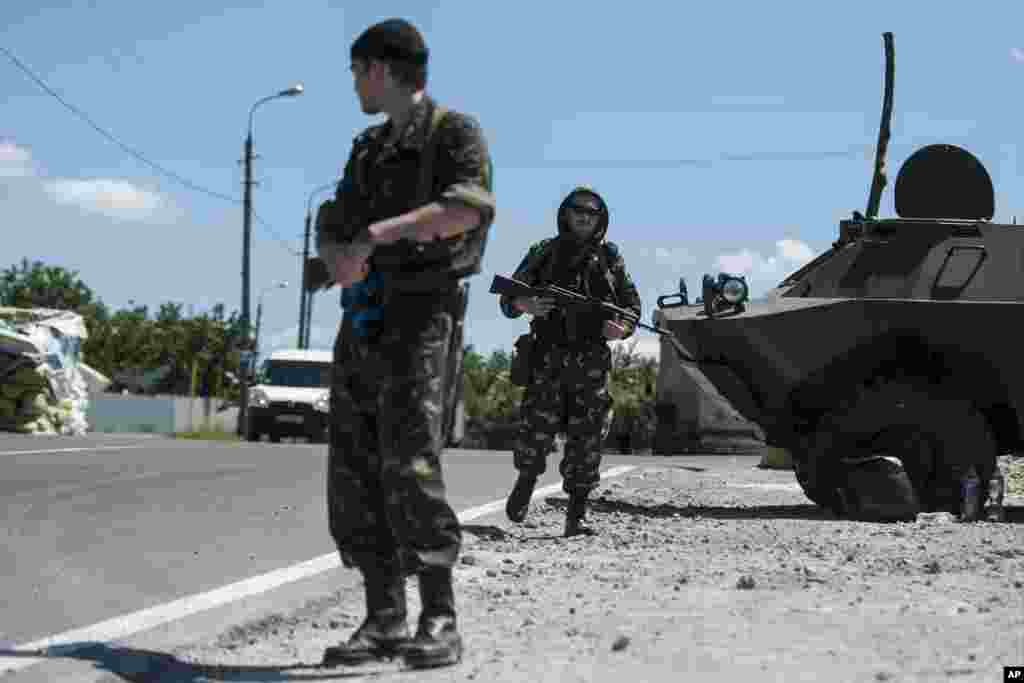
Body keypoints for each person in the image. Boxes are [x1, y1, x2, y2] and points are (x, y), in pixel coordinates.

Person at [314, 18, 495, 670]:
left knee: (411, 461)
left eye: (358, 70)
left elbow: (467, 208)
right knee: (355, 469)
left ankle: (439, 618)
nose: (355, 83)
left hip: (422, 318)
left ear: (382, 69)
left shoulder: (452, 133)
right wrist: (337, 254)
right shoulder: (366, 148)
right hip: (362, 318)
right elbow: (334, 220)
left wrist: (379, 236)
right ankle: (385, 616)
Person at [498, 187, 641, 536]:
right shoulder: (543, 252)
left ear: (600, 220)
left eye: (592, 213)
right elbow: (507, 297)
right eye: (577, 211)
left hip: (592, 360)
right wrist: (525, 305)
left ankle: (577, 514)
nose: (584, 217)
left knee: (588, 438)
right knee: (536, 429)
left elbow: (632, 306)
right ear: (565, 214)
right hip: (548, 356)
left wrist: (620, 330)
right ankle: (525, 482)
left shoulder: (610, 258)